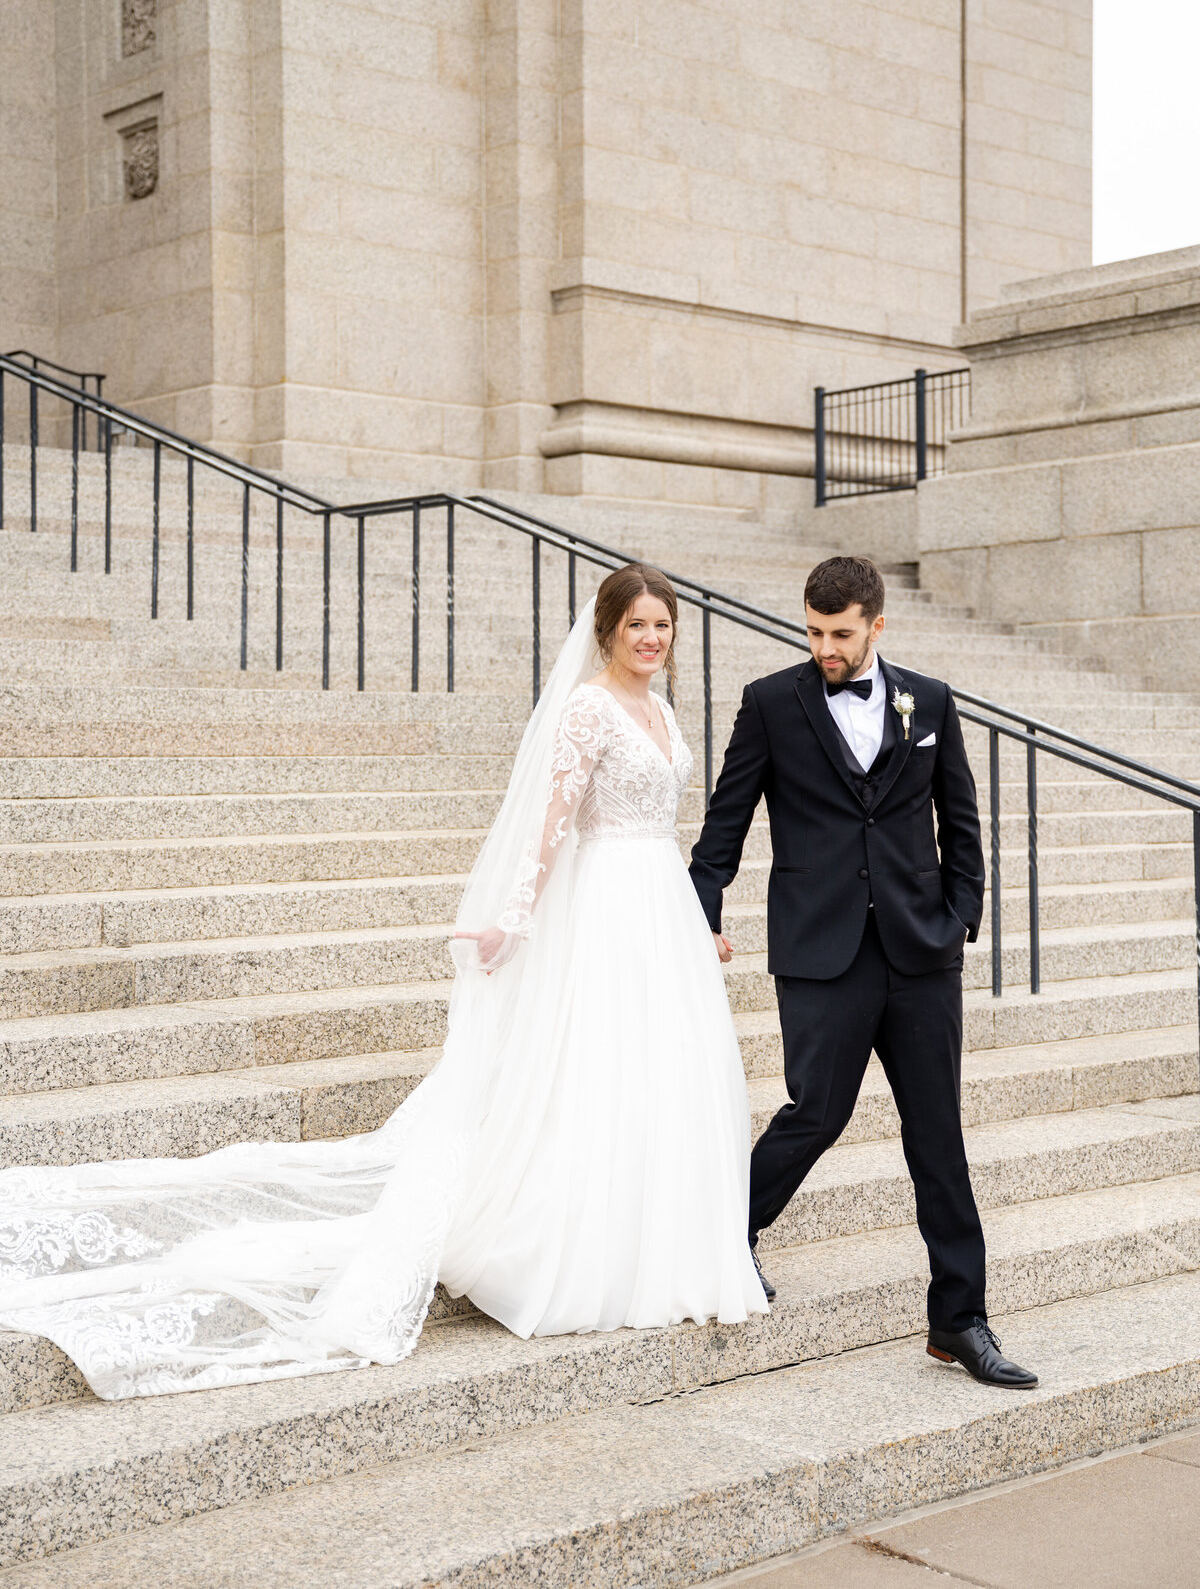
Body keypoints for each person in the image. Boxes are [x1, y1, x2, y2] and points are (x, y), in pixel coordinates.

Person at [0, 565, 764, 1400]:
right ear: (608, 630)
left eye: (662, 626)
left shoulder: (660, 707)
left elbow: (664, 824)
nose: (651, 639)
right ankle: (581, 1249)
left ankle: (657, 1240)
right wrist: (515, 915)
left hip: (659, 908)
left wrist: (694, 922)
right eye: (637, 626)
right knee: (599, 1072)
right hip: (607, 911)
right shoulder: (585, 706)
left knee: (662, 1077)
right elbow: (551, 820)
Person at [689, 555, 1037, 1390]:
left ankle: (960, 1318)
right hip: (821, 953)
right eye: (812, 631)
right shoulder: (772, 702)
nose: (824, 648)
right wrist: (699, 912)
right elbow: (723, 825)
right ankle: (720, 1235)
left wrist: (961, 916)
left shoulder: (931, 699)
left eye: (840, 634)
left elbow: (960, 817)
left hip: (921, 952)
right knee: (816, 1113)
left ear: (877, 625)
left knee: (937, 1136)